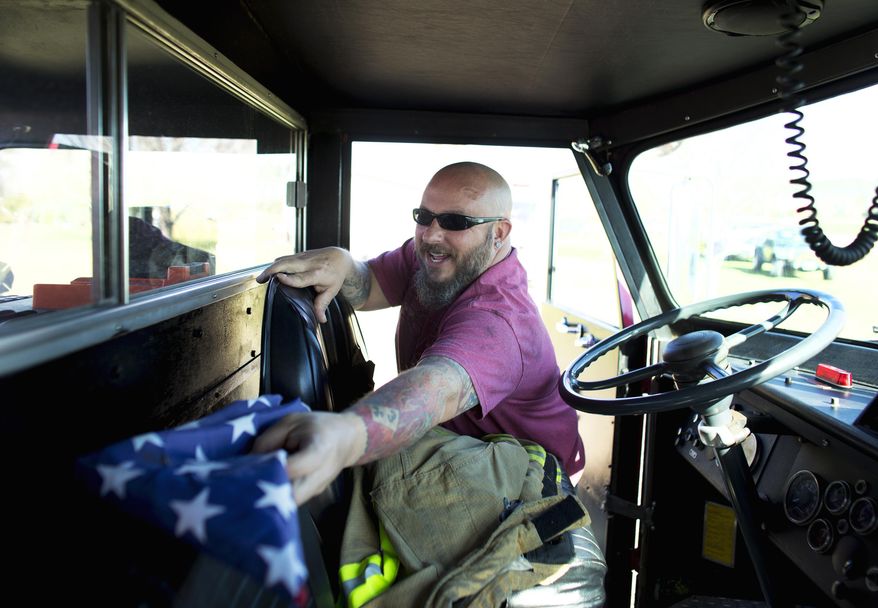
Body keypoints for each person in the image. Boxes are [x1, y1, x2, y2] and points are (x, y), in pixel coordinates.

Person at [253, 161, 584, 506]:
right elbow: (369, 286)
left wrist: (344, 437)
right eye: (424, 216)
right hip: (461, 452)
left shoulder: (500, 321)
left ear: (499, 233)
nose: (431, 235)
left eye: (456, 222)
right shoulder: (432, 257)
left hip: (532, 481)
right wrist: (342, 262)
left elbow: (436, 389)